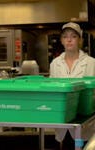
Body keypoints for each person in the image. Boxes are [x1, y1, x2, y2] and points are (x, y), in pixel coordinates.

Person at [49, 22, 95, 150]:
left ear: (80, 40)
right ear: (61, 40)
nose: (69, 40)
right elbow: (53, 91)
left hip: (86, 125)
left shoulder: (91, 63)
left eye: (73, 36)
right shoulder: (55, 64)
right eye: (65, 36)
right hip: (63, 125)